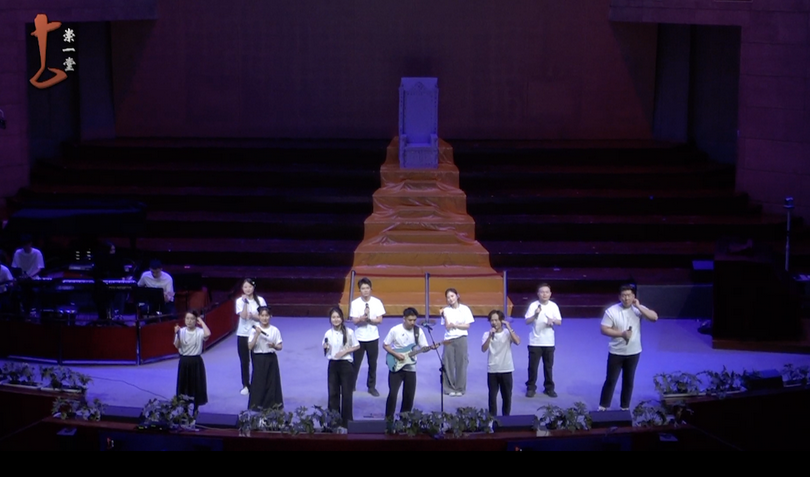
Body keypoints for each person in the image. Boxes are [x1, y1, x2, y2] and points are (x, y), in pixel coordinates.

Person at [598, 284, 659, 411]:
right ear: (619, 297)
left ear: (633, 297)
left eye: (629, 296)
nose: (626, 298)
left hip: (634, 351)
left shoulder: (638, 309)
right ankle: (603, 406)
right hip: (616, 352)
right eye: (624, 296)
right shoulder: (612, 311)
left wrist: (638, 306)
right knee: (611, 380)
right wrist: (622, 334)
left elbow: (654, 318)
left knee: (628, 381)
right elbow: (604, 329)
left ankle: (624, 407)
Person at [383, 307, 440, 420]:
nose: (412, 322)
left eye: (414, 320)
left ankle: (404, 421)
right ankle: (388, 419)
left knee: (409, 396)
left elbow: (423, 347)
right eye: (410, 320)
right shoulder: (395, 330)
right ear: (404, 319)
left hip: (411, 367)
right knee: (393, 394)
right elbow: (385, 345)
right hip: (396, 365)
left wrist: (431, 348)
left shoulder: (418, 331)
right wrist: (396, 354)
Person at [323, 307, 359, 428]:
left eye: (338, 317)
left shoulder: (349, 332)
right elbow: (325, 348)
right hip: (333, 364)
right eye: (333, 317)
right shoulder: (328, 333)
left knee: (347, 394)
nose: (336, 319)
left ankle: (347, 422)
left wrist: (345, 352)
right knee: (333, 393)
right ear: (330, 319)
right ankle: (333, 421)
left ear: (342, 318)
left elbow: (357, 346)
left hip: (346, 365)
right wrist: (325, 347)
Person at [349, 277, 386, 397]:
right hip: (359, 337)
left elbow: (380, 320)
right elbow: (354, 321)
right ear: (360, 290)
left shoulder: (377, 302)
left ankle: (371, 387)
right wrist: (361, 319)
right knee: (356, 363)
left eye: (367, 288)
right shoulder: (355, 303)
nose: (365, 291)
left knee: (372, 363)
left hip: (373, 337)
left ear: (371, 289)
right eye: (363, 288)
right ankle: (351, 385)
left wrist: (369, 320)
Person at [524, 283, 562, 398]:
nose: (544, 294)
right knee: (533, 367)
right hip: (535, 341)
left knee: (548, 367)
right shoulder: (533, 305)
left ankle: (549, 388)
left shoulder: (554, 306)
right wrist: (535, 315)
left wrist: (553, 321)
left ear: (550, 294)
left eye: (547, 292)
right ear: (538, 294)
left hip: (549, 342)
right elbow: (527, 321)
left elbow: (559, 322)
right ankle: (531, 388)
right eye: (542, 292)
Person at [482, 310, 519, 416]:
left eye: (497, 320)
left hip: (506, 369)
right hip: (492, 370)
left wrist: (509, 328)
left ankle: (506, 418)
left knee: (507, 396)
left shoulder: (507, 333)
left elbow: (517, 342)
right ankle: (492, 420)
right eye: (492, 320)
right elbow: (484, 349)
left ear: (501, 321)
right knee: (492, 397)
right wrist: (490, 336)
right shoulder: (486, 334)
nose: (494, 322)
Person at [174, 310, 211, 412]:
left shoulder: (199, 331)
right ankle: (184, 408)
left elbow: (208, 333)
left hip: (196, 361)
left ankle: (195, 408)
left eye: (192, 319)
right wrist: (177, 334)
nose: (189, 321)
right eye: (187, 318)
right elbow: (177, 346)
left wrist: (201, 321)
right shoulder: (181, 331)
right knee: (184, 385)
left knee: (196, 385)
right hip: (184, 360)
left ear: (196, 320)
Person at [247, 306, 284, 410]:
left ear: (270, 316)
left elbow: (280, 346)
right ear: (258, 316)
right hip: (258, 358)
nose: (264, 318)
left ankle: (272, 405)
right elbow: (250, 346)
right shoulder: (254, 330)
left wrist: (274, 346)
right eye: (262, 315)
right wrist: (256, 335)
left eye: (267, 315)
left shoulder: (275, 330)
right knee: (259, 381)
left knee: (272, 382)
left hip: (271, 358)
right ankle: (256, 405)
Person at [440, 288, 474, 397]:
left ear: (457, 296)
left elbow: (467, 326)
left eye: (452, 296)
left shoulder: (465, 309)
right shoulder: (445, 310)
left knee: (461, 363)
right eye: (448, 297)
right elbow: (447, 326)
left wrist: (455, 325)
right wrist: (444, 315)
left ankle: (460, 387)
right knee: (447, 362)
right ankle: (449, 388)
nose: (450, 299)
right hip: (448, 339)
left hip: (461, 338)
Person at [235, 278, 266, 396]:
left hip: (256, 333)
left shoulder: (261, 300)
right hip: (242, 334)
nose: (247, 289)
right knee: (244, 361)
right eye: (245, 287)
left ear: (254, 287)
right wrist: (245, 303)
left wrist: (254, 316)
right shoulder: (239, 301)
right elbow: (243, 316)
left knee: (257, 359)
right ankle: (246, 385)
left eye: (249, 287)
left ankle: (257, 384)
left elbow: (264, 317)